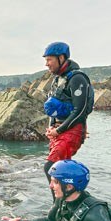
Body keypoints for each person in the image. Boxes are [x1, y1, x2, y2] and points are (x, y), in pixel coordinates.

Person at [42, 42, 94, 194]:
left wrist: (59, 130)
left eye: (49, 59)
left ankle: (58, 207)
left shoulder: (77, 78)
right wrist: (52, 127)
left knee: (51, 168)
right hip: (59, 129)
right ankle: (67, 203)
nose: (46, 64)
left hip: (72, 129)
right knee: (61, 172)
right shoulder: (57, 79)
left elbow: (80, 110)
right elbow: (52, 107)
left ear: (61, 58)